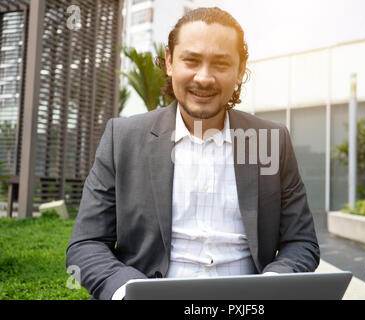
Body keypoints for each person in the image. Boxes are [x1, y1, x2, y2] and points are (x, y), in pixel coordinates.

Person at [66, 7, 320, 300]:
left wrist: (272, 286)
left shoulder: (272, 141)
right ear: (170, 62)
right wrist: (130, 292)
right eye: (191, 60)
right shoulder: (121, 138)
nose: (204, 78)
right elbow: (87, 244)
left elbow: (300, 242)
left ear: (240, 71)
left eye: (221, 64)